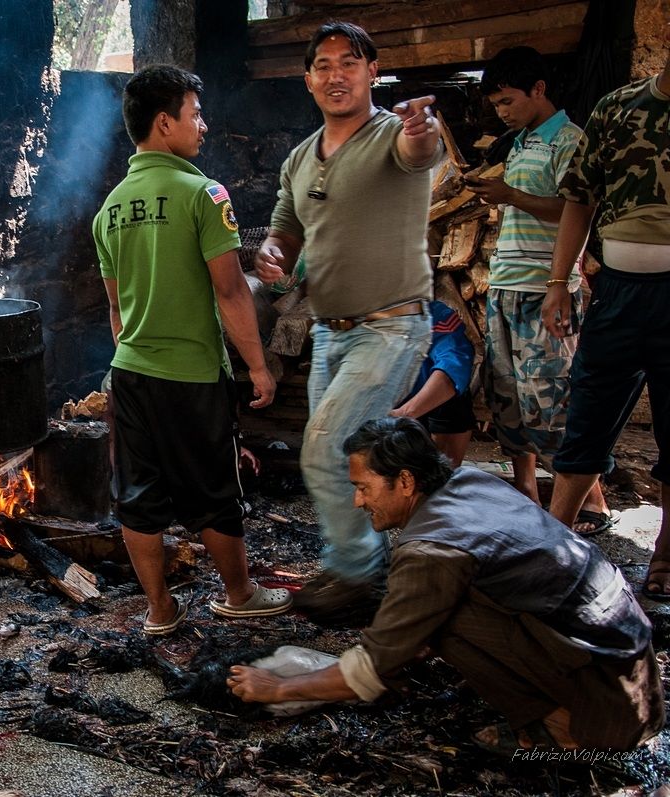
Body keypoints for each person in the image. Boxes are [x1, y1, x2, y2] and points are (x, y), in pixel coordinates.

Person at [227, 417, 664, 754]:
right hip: (630, 672)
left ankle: (563, 732)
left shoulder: (429, 551)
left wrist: (279, 688)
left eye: (363, 487)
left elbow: (373, 668)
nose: (357, 501)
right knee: (428, 612)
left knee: (436, 616)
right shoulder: (470, 481)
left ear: (405, 481)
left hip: (610, 708)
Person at [254, 21, 444, 625]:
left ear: (372, 73)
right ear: (308, 78)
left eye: (350, 63)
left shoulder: (394, 134)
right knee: (357, 458)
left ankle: (355, 572)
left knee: (324, 449)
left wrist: (423, 129)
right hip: (330, 331)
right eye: (324, 65)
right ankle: (388, 560)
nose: (336, 75)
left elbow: (423, 151)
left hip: (391, 326)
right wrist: (273, 256)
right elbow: (285, 228)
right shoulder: (300, 157)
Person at [92, 64, 291, 636]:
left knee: (138, 496)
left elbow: (115, 309)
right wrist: (256, 366)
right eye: (194, 113)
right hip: (193, 377)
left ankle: (159, 610)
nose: (202, 125)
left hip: (129, 374)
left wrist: (133, 354)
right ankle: (239, 593)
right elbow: (230, 290)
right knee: (214, 490)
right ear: (164, 122)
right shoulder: (205, 194)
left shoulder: (109, 209)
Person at [542, 9, 670, 600]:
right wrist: (557, 281)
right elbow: (578, 199)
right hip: (616, 292)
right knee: (588, 415)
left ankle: (664, 564)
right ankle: (551, 550)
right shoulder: (619, 107)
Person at [466, 46, 612, 534]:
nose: (502, 111)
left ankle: (592, 500)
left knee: (551, 399)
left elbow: (576, 210)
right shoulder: (521, 139)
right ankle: (526, 490)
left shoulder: (570, 140)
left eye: (508, 101)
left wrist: (512, 196)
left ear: (539, 90)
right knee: (506, 394)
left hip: (546, 286)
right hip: (506, 282)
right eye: (497, 104)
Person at [389, 300, 475, 466]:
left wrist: (403, 414)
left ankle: (444, 472)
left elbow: (452, 365)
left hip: (417, 411)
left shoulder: (434, 315)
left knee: (454, 398)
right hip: (378, 405)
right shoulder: (349, 320)